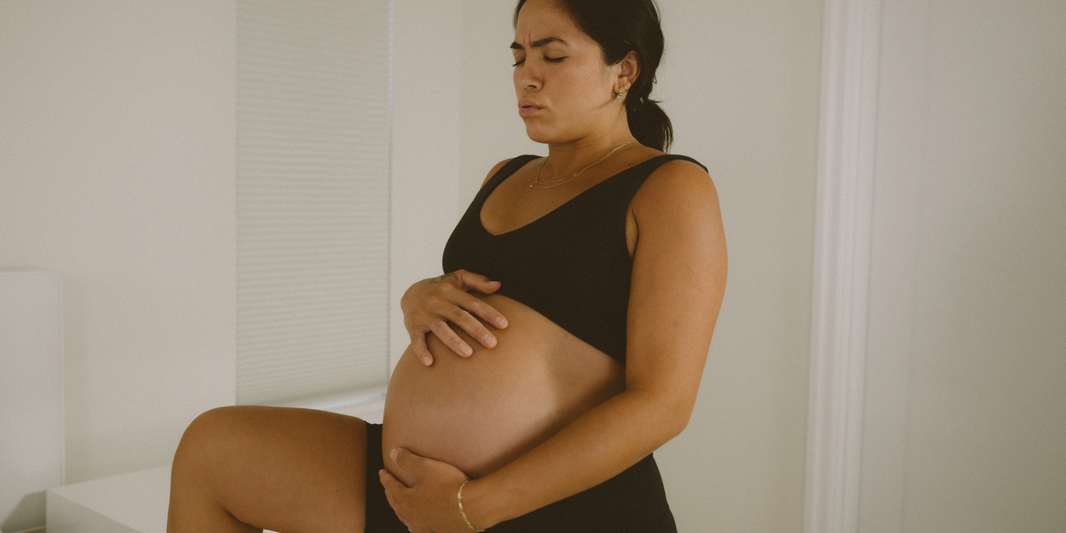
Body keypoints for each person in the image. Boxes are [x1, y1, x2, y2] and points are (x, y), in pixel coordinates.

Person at [166, 0, 726, 531]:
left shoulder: (671, 188)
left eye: (553, 56)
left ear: (623, 70)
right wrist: (418, 294)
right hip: (416, 486)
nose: (527, 76)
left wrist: (471, 507)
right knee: (212, 451)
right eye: (518, 56)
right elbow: (497, 292)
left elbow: (662, 405)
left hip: (553, 504)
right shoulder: (506, 174)